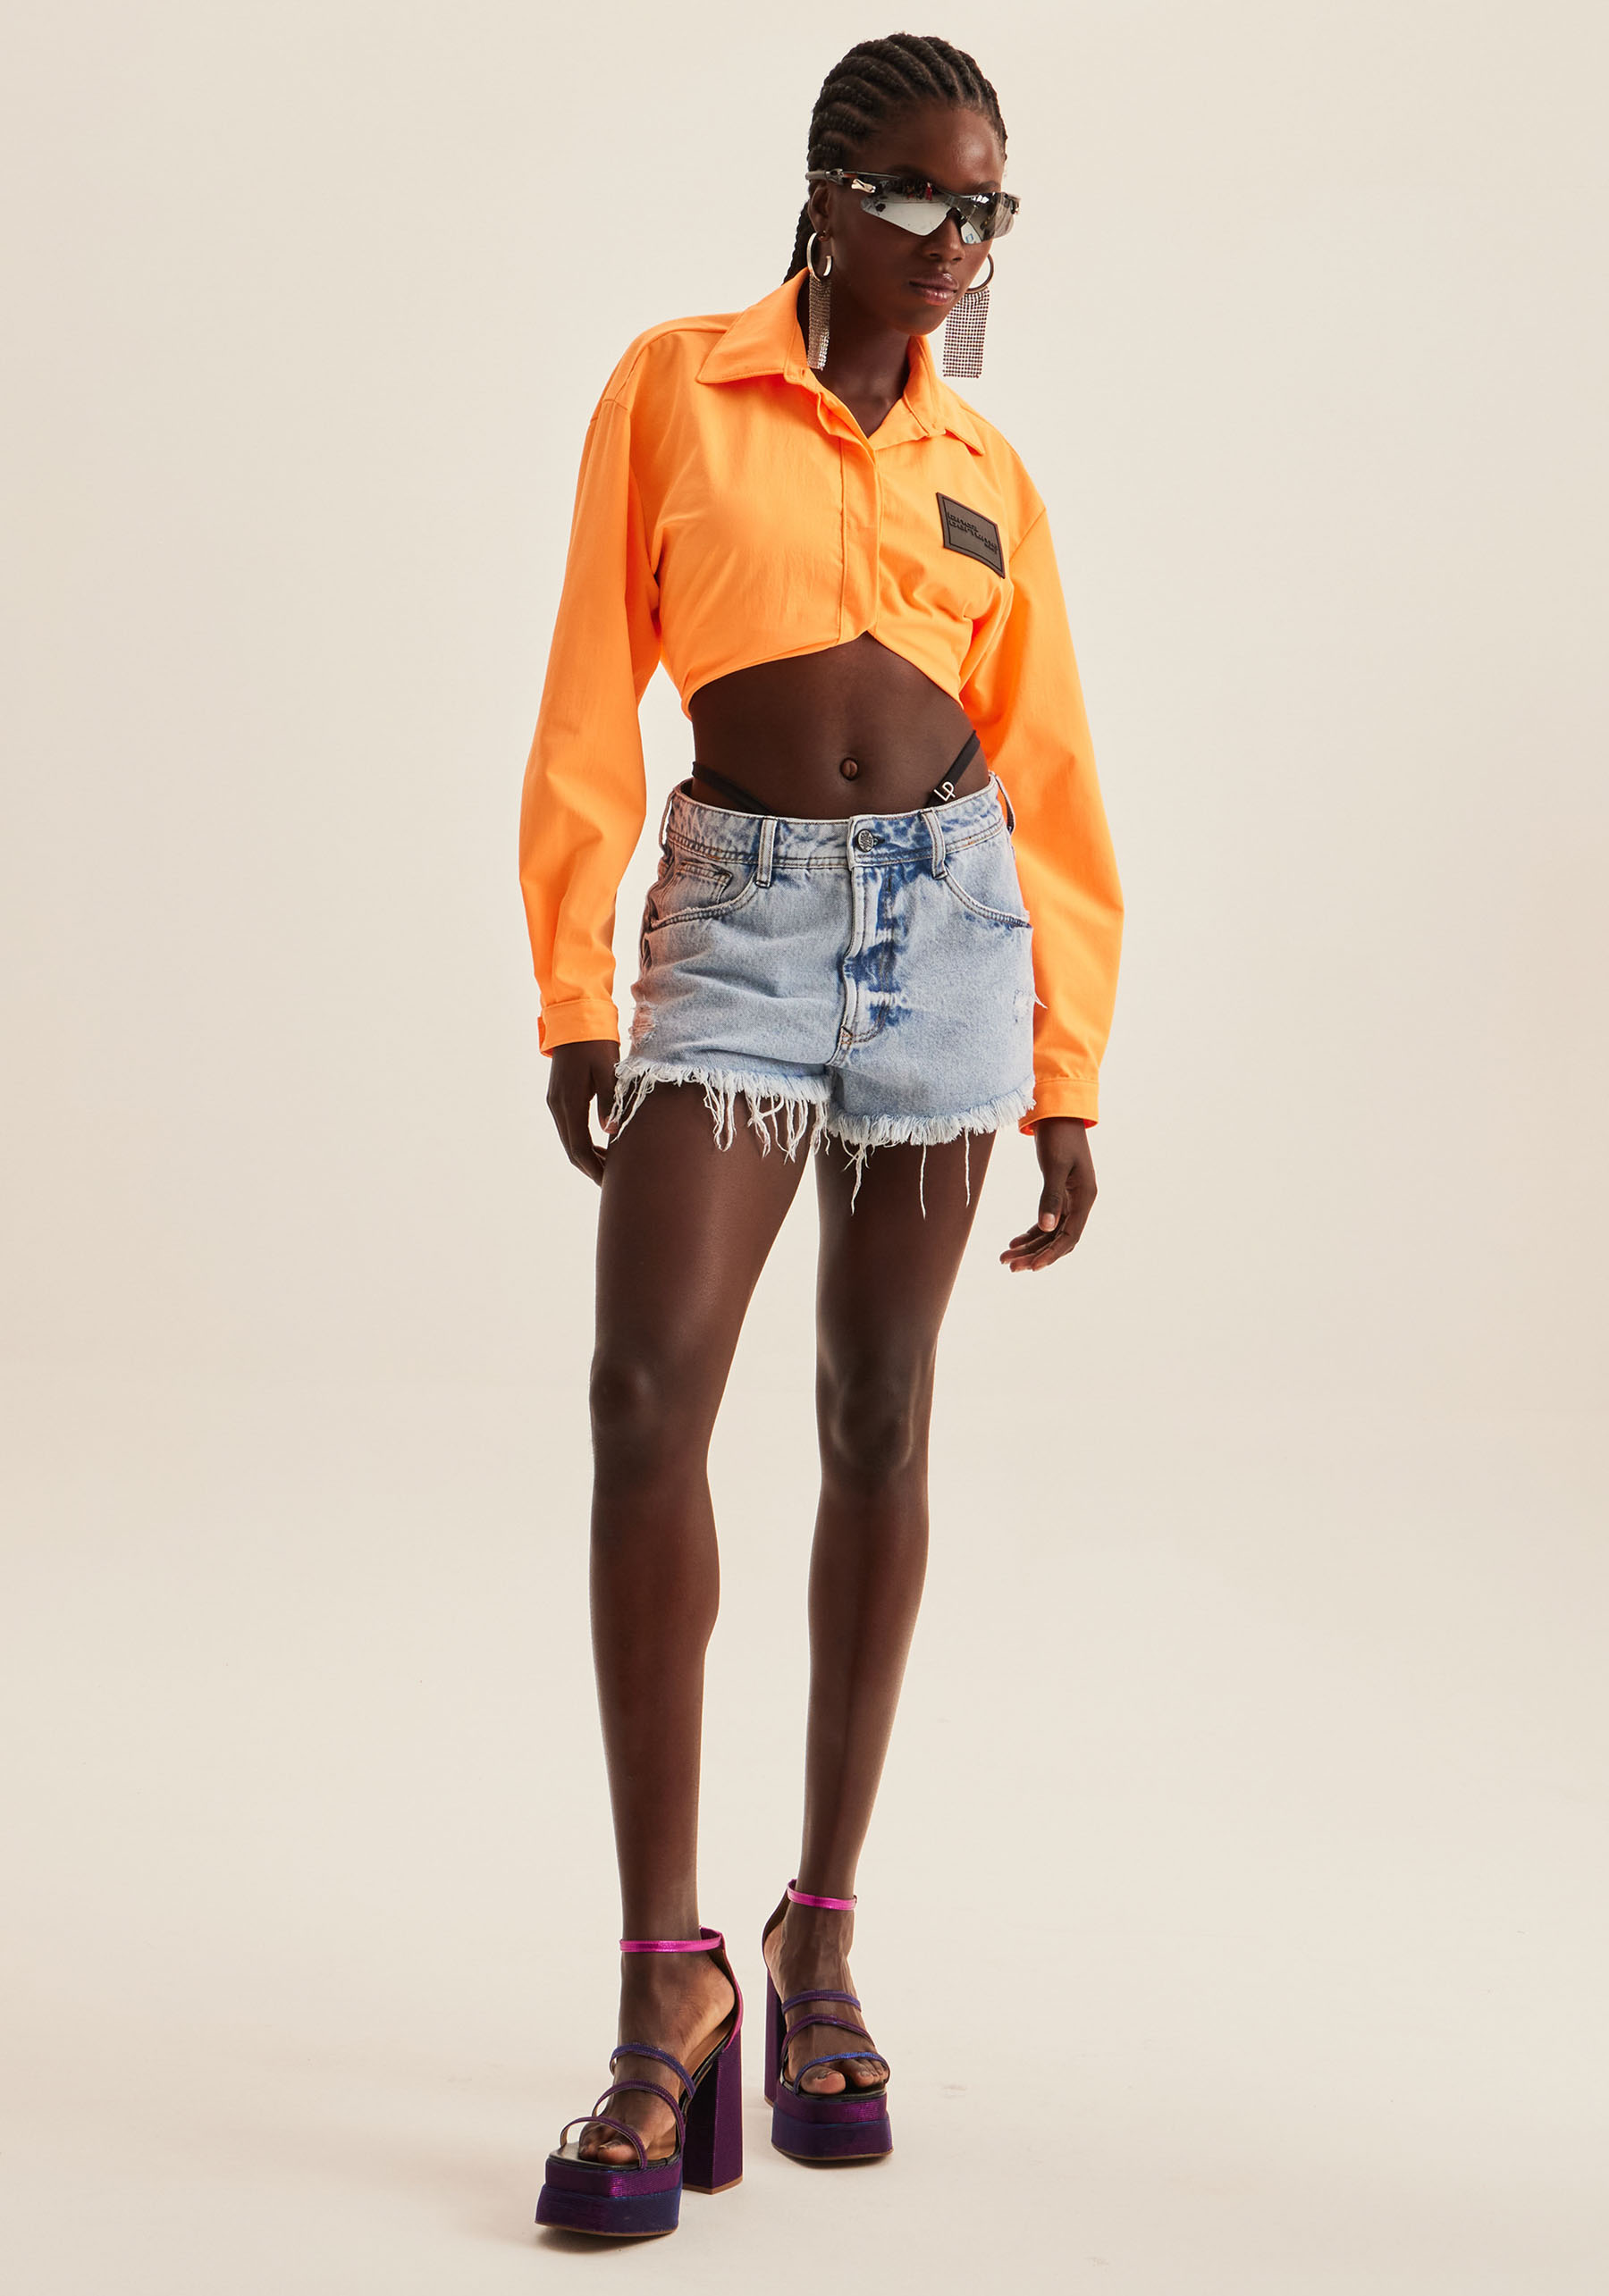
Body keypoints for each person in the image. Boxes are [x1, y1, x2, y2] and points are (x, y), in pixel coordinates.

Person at [523, 31, 1123, 2240]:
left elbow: (1048, 763)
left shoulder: (987, 468)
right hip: (739, 925)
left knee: (879, 1414)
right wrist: (577, 983)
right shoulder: (675, 386)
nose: (956, 242)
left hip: (952, 931)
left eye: (989, 209)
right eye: (920, 196)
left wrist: (1069, 1061)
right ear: (826, 185)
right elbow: (589, 688)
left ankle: (824, 1936)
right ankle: (660, 1983)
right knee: (643, 1398)